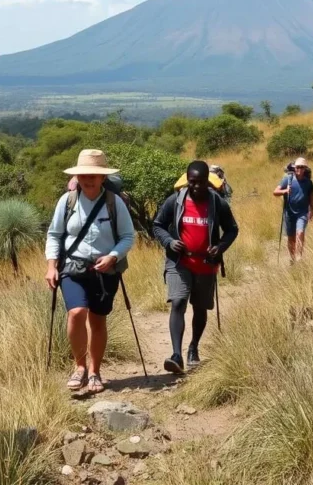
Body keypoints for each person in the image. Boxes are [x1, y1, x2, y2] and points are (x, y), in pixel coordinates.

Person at [45, 149, 136, 394]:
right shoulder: (67, 201)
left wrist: (113, 257)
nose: (89, 179)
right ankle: (79, 366)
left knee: (97, 320)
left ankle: (95, 371)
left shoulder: (114, 203)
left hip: (105, 271)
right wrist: (51, 267)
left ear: (103, 178)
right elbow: (54, 234)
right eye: (85, 174)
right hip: (73, 267)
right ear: (78, 176)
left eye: (94, 175)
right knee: (76, 313)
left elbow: (128, 236)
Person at [152, 160, 239, 373]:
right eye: (193, 182)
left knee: (200, 308)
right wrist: (170, 242)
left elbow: (232, 230)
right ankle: (176, 355)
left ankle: (193, 347)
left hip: (206, 265)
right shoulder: (175, 201)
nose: (197, 186)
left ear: (207, 181)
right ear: (187, 180)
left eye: (201, 182)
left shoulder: (218, 203)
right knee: (178, 302)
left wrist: (220, 247)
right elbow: (158, 225)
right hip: (179, 262)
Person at [273, 156, 313, 263]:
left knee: (300, 233)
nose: (299, 169)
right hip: (289, 213)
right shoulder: (288, 179)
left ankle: (299, 257)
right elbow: (275, 192)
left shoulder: (308, 183)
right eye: (297, 167)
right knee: (291, 238)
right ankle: (292, 259)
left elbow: (312, 197)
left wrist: (312, 210)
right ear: (294, 168)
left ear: (305, 169)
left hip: (302, 213)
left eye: (301, 167)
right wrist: (285, 191)